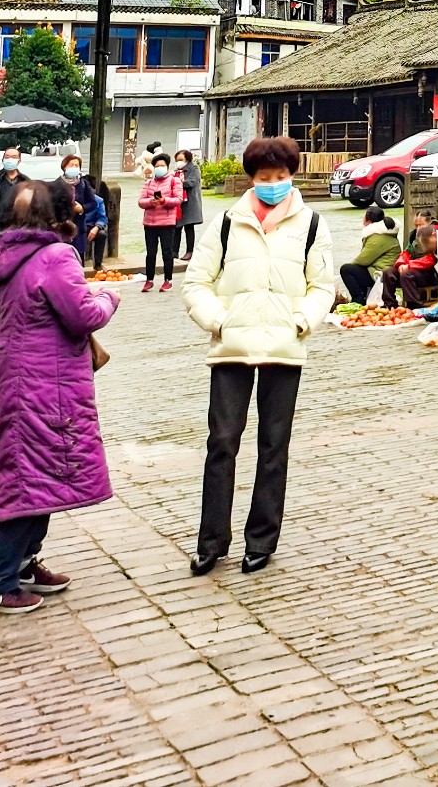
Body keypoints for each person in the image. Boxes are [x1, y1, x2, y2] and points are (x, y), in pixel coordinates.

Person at [183, 135, 335, 575]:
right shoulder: (226, 223)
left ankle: (261, 540)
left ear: (292, 176)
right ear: (252, 178)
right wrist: (219, 320)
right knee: (222, 444)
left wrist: (302, 321)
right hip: (231, 348)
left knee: (273, 447)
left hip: (283, 350)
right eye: (265, 178)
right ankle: (211, 541)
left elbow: (321, 286)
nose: (274, 184)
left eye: (282, 177)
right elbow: (197, 281)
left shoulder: (311, 225)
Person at [0, 182, 120, 615]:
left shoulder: (5, 253)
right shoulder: (55, 256)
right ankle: (4, 580)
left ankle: (26, 565)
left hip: (15, 382)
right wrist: (108, 296)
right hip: (47, 388)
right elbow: (82, 315)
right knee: (28, 482)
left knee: (34, 474)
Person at [137, 155, 185, 292]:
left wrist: (164, 201)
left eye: (162, 166)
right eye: (157, 166)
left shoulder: (174, 181)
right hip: (150, 223)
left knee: (167, 252)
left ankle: (168, 280)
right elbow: (141, 201)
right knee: (150, 253)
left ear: (167, 166)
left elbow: (178, 199)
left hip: (167, 223)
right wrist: (150, 202)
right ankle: (149, 280)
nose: (159, 168)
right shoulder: (149, 183)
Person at [339, 204, 398, 306]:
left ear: (369, 221)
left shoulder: (378, 237)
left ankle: (358, 299)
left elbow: (362, 260)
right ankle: (363, 297)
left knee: (346, 269)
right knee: (357, 270)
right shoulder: (384, 233)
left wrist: (353, 266)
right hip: (381, 270)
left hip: (380, 273)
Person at [380, 210, 438, 310]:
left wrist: (410, 265)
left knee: (406, 274)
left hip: (429, 272)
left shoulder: (434, 236)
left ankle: (414, 306)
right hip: (413, 268)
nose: (418, 228)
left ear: (429, 223)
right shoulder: (413, 236)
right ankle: (389, 304)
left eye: (421, 225)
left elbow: (431, 260)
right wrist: (401, 264)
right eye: (416, 225)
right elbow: (406, 253)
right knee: (388, 272)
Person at [60, 152, 102, 262]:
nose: (74, 167)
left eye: (76, 165)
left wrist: (82, 209)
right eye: (71, 165)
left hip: (79, 228)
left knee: (78, 259)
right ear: (64, 167)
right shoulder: (57, 184)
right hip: (62, 229)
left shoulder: (83, 184)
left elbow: (93, 203)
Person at [174, 150, 203, 262]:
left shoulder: (193, 169)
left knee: (189, 227)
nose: (179, 162)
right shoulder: (177, 170)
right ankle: (174, 252)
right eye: (177, 160)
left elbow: (192, 182)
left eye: (181, 159)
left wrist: (178, 183)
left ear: (187, 159)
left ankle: (189, 251)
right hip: (179, 203)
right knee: (176, 228)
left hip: (190, 201)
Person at [0, 150, 24, 227]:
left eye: (14, 157)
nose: (10, 159)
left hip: (19, 226)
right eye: (7, 157)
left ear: (19, 160)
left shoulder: (25, 181)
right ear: (3, 159)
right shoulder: (0, 179)